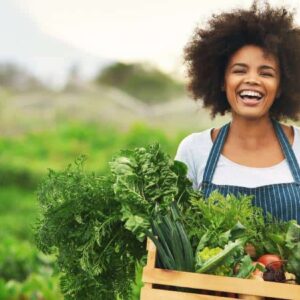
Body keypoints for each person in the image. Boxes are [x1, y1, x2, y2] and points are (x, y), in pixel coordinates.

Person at [175, 2, 300, 222]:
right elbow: (176, 235)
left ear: (282, 86)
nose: (252, 79)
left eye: (266, 73)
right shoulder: (194, 150)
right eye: (239, 70)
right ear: (222, 81)